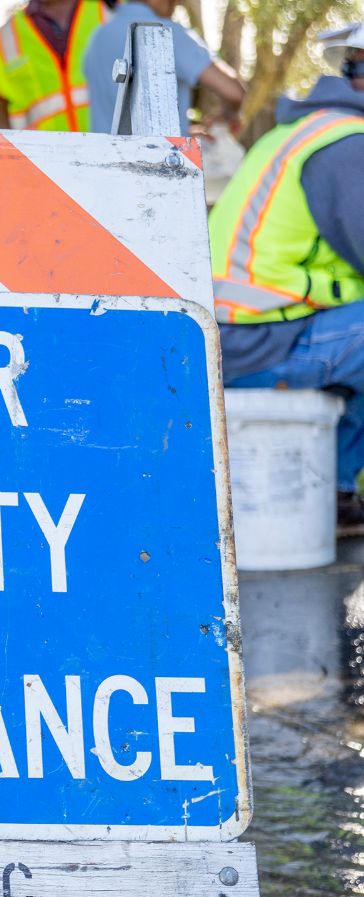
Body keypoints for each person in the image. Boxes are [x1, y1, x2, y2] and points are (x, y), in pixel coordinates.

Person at [211, 24, 364, 524]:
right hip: (259, 340)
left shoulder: (304, 131)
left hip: (242, 333)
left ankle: (336, 493)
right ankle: (335, 490)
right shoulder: (346, 145)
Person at [82, 0, 244, 134]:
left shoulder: (96, 39)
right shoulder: (165, 32)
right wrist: (227, 116)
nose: (178, 3)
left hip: (104, 165)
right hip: (157, 165)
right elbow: (234, 92)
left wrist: (185, 133)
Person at [0, 0, 115, 131]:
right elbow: (1, 113)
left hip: (116, 147)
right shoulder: (4, 38)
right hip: (42, 150)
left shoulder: (112, 10)